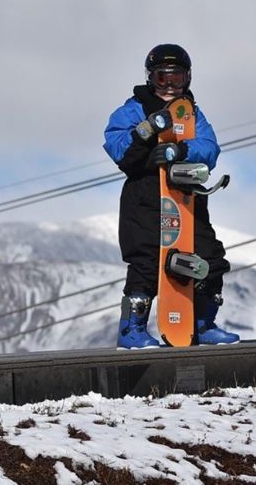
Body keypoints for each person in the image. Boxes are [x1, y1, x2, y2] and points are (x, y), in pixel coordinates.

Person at [102, 43, 239, 349]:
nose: (169, 86)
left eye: (176, 78)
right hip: (146, 194)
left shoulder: (191, 113)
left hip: (185, 196)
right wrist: (147, 132)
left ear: (187, 78)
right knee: (147, 261)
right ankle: (132, 329)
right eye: (162, 78)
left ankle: (202, 323)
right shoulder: (134, 109)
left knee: (210, 257)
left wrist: (181, 149)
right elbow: (119, 150)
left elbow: (210, 148)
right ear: (150, 77)